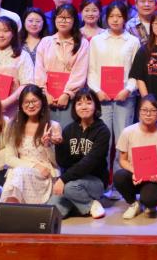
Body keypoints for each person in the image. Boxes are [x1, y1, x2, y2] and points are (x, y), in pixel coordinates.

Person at [86, 0, 141, 184]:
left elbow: (136, 71)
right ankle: (101, 183)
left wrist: (128, 89)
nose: (115, 20)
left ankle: (119, 184)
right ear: (106, 18)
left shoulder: (133, 41)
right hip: (101, 98)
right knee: (103, 141)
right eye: (111, 16)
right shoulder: (96, 41)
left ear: (125, 18)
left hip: (125, 98)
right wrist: (97, 91)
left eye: (119, 16)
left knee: (122, 143)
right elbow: (91, 70)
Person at [49, 87, 110, 219]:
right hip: (72, 179)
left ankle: (91, 203)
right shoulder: (69, 129)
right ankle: (80, 204)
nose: (84, 107)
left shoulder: (103, 131)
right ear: (75, 107)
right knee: (53, 211)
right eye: (79, 103)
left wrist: (63, 179)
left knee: (70, 188)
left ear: (96, 106)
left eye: (88, 103)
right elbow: (63, 162)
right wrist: (59, 145)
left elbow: (89, 163)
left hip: (95, 181)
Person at [113, 94, 157, 219]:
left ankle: (149, 202)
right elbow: (122, 160)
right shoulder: (128, 132)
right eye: (144, 110)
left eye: (153, 111)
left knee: (150, 200)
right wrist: (135, 171)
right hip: (134, 175)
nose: (148, 114)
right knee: (119, 176)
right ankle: (134, 203)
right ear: (139, 112)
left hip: (155, 177)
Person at [0, 84, 63, 204]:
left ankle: (10, 210)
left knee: (17, 174)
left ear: (42, 102)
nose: (30, 105)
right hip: (21, 171)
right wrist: (34, 166)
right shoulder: (13, 126)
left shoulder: (53, 126)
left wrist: (47, 145)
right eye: (26, 102)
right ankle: (10, 210)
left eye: (34, 101)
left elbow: (57, 162)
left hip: (44, 174)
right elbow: (9, 159)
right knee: (16, 173)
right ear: (21, 105)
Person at [35, 4, 91, 129]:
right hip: (47, 98)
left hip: (70, 99)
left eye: (68, 18)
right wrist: (44, 93)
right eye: (60, 17)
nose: (63, 21)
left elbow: (80, 72)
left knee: (66, 133)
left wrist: (67, 94)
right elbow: (39, 70)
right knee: (46, 133)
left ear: (74, 20)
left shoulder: (82, 43)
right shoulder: (45, 42)